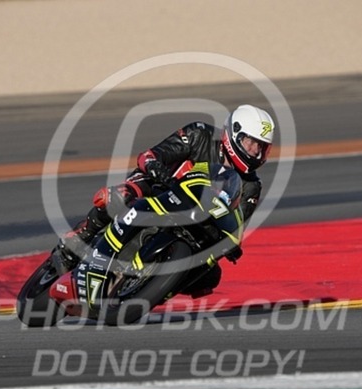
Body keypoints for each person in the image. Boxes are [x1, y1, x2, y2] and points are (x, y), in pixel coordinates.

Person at [53, 104, 275, 297]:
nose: (255, 152)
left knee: (209, 275)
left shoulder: (251, 186)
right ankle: (75, 243)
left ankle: (153, 288)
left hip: (197, 222)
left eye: (261, 148)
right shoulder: (200, 134)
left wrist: (230, 245)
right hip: (159, 187)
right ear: (235, 133)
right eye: (251, 143)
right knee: (122, 196)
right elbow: (152, 155)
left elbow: (236, 225)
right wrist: (154, 165)